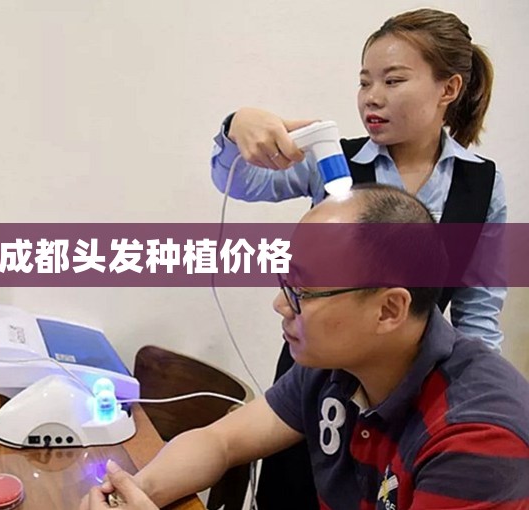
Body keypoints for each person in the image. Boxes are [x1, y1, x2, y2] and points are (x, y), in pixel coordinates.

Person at [210, 8, 507, 508]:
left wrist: (476, 399)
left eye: (393, 80)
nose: (372, 96)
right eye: (365, 81)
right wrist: (236, 127)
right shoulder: (334, 161)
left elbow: (479, 313)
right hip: (318, 380)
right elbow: (240, 181)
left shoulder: (482, 183)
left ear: (449, 88)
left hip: (410, 397)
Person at [79, 185, 529, 510]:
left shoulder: (476, 439)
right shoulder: (336, 366)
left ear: (389, 310)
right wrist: (131, 493)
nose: (280, 304)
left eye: (303, 290)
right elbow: (221, 441)